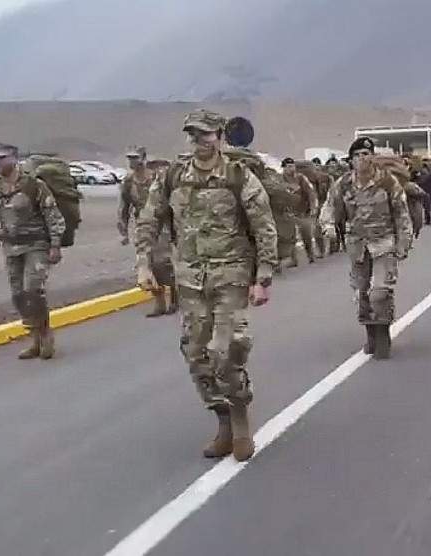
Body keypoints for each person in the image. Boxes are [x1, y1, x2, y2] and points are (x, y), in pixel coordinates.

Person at [135, 109, 277, 461]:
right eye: (193, 135)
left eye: (205, 135)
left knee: (225, 350)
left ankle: (240, 414)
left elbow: (263, 226)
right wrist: (143, 264)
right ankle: (223, 420)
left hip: (230, 275)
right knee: (196, 355)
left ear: (219, 137)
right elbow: (149, 219)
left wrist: (264, 277)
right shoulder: (173, 177)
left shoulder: (237, 176)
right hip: (189, 279)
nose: (199, 142)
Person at [320, 137, 412, 359]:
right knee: (362, 295)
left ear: (372, 157)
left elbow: (401, 213)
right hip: (357, 247)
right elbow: (329, 208)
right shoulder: (343, 184)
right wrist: (328, 225)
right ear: (351, 160)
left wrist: (403, 243)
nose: (362, 159)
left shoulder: (387, 182)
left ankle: (382, 334)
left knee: (379, 293)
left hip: (383, 244)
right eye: (357, 155)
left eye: (366, 154)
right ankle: (370, 333)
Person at [0, 143, 66, 359]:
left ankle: (45, 334)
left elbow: (52, 216)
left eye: (0, 158)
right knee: (18, 295)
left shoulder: (33, 185)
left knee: (33, 290)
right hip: (11, 246)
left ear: (14, 159)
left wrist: (55, 245)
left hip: (36, 245)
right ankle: (34, 338)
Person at [118, 146, 177, 317]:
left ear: (144, 159)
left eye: (135, 158)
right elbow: (124, 206)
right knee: (148, 263)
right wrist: (123, 229)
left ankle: (175, 297)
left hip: (162, 222)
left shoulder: (156, 179)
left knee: (164, 261)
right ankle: (159, 303)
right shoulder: (129, 182)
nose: (132, 162)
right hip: (143, 225)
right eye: (130, 159)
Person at [280, 157, 319, 266]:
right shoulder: (279, 180)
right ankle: (293, 259)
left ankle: (310, 254)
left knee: (306, 233)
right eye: (288, 167)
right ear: (283, 168)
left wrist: (313, 207)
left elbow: (311, 192)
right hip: (287, 212)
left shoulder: (301, 178)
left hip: (302, 211)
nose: (291, 169)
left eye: (293, 166)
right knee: (290, 236)